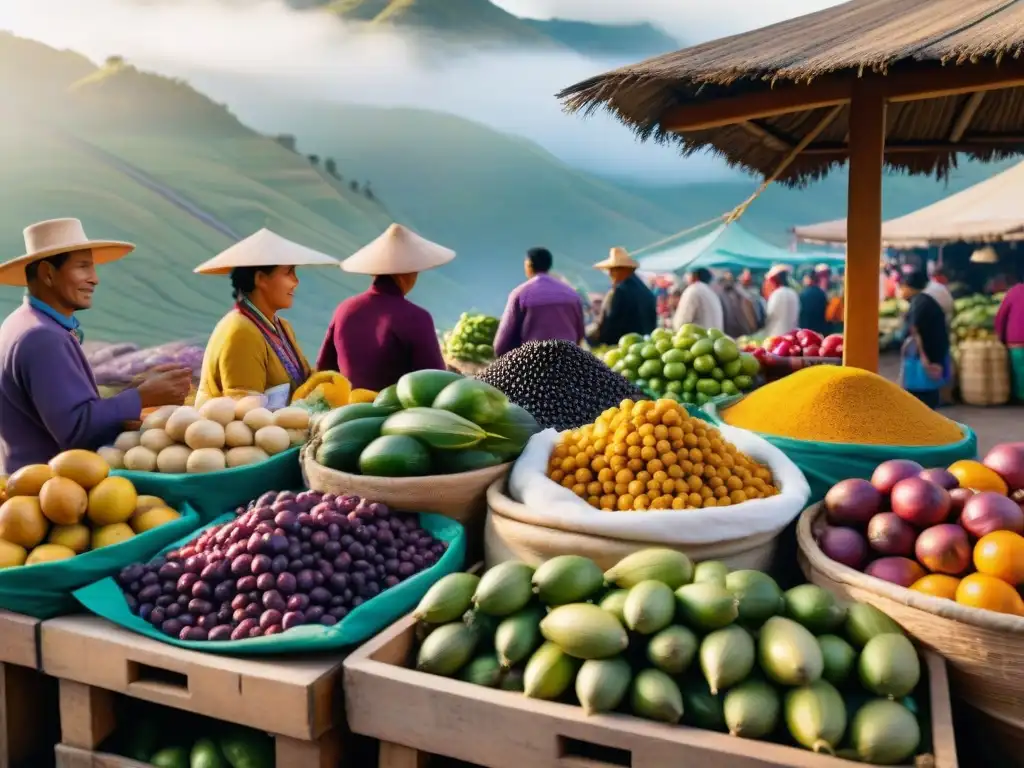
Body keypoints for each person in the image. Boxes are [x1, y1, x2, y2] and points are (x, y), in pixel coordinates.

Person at [0, 218, 192, 473]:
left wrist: (134, 390)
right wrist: (141, 397)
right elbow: (77, 430)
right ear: (48, 273)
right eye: (83, 267)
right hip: (49, 491)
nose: (94, 279)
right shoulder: (42, 337)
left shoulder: (23, 322)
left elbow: (64, 408)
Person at [194, 228, 339, 406]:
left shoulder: (282, 327)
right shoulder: (240, 332)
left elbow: (305, 381)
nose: (296, 281)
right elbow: (244, 413)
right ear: (261, 279)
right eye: (288, 272)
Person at [318, 223, 452, 391]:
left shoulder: (344, 310)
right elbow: (434, 383)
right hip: (395, 415)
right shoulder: (416, 317)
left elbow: (324, 372)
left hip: (347, 412)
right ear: (409, 272)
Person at [493, 247, 585, 358]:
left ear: (528, 265)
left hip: (534, 361)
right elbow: (580, 332)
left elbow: (503, 339)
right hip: (569, 358)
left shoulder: (520, 294)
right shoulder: (572, 294)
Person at [899, 269, 950, 409]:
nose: (901, 290)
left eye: (903, 287)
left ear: (909, 287)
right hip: (932, 354)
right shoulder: (924, 300)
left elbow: (916, 331)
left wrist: (924, 358)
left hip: (924, 357)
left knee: (921, 400)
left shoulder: (919, 302)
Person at [586, 247, 657, 346]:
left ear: (623, 270)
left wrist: (599, 339)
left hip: (624, 346)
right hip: (646, 345)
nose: (610, 274)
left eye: (612, 270)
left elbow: (611, 325)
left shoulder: (620, 291)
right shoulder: (645, 290)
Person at [995, 281, 1024, 401]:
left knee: (1020, 369)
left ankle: (1021, 396)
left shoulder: (1014, 291)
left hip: (1017, 338)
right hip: (1017, 337)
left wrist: (1000, 336)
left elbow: (1001, 316)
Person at [672, 267, 724, 331]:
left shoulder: (693, 290)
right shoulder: (711, 292)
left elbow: (680, 323)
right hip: (714, 339)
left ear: (694, 276)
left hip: (699, 339)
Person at [714, 271, 758, 338]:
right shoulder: (720, 293)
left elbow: (747, 307)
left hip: (738, 328)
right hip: (730, 328)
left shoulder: (738, 291)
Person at [763, 265, 800, 336]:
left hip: (776, 334)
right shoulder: (793, 293)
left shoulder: (776, 294)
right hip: (792, 334)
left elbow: (769, 315)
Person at [798, 264, 831, 334]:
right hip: (820, 329)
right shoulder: (821, 293)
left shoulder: (804, 293)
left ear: (808, 278)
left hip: (806, 330)